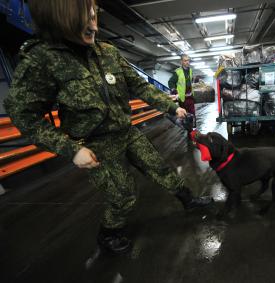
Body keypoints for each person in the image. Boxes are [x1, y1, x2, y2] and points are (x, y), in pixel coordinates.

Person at [4, 0, 212, 255]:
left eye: (95, 17)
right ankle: (109, 233)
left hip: (126, 131)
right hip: (95, 143)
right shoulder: (42, 60)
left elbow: (139, 85)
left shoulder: (107, 52)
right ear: (62, 18)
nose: (94, 25)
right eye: (87, 18)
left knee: (157, 166)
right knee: (123, 193)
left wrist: (171, 107)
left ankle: (188, 200)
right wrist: (71, 149)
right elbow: (24, 117)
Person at [168, 54, 196, 129]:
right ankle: (188, 132)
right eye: (185, 60)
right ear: (181, 62)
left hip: (190, 97)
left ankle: (194, 131)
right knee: (185, 116)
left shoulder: (190, 70)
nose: (187, 62)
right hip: (183, 99)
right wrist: (175, 93)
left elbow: (189, 82)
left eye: (188, 60)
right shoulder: (177, 72)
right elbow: (170, 82)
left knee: (192, 114)